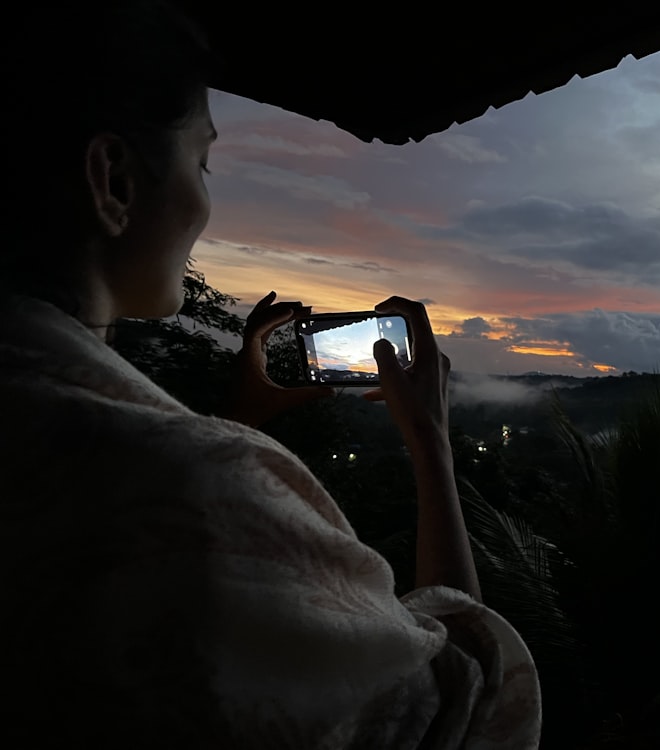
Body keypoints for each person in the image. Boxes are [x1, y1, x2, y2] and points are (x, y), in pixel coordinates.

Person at [0, 2, 541, 747]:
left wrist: (235, 416)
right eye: (203, 162)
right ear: (113, 181)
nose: (205, 203)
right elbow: (463, 703)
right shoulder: (200, 482)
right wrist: (433, 444)